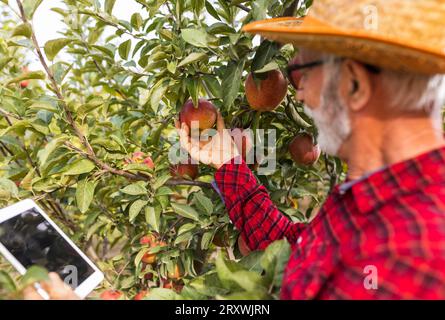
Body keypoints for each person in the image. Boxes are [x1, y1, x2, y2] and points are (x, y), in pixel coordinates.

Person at [26, 0, 445, 299]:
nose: (295, 93)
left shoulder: (410, 250)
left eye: (299, 71)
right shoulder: (368, 203)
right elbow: (293, 251)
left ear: (354, 84)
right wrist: (228, 162)